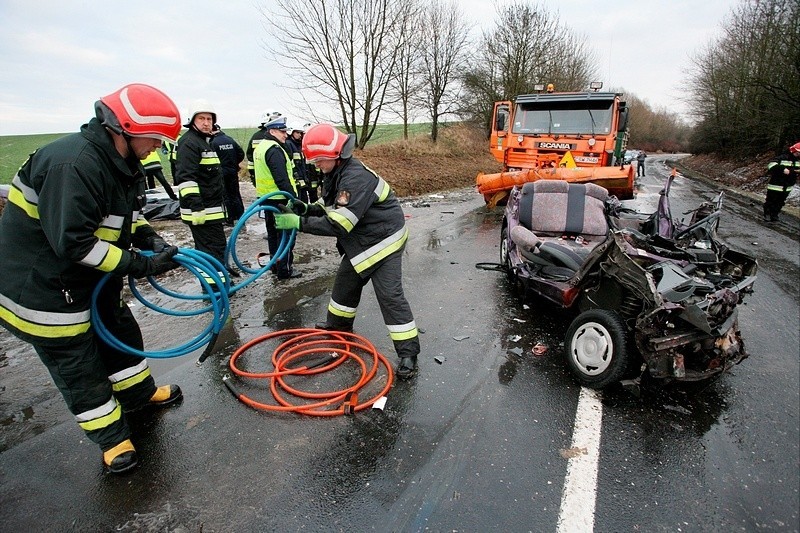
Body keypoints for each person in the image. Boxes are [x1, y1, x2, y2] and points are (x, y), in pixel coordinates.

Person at [0, 83, 184, 475]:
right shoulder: (74, 165)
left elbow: (124, 216)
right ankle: (111, 437)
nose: (155, 147)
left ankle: (139, 395)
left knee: (119, 331)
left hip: (91, 278)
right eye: (153, 139)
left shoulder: (121, 163)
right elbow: (74, 244)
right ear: (126, 128)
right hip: (45, 288)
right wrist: (141, 265)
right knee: (79, 364)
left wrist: (148, 236)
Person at [274, 123, 421, 379]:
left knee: (390, 297)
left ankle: (408, 353)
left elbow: (340, 223)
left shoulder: (356, 176)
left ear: (334, 155)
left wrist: (299, 223)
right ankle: (338, 328)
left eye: (319, 160)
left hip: (384, 241)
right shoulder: (336, 172)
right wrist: (308, 209)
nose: (316, 165)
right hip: (361, 241)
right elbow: (331, 202)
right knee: (345, 285)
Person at [174, 99, 230, 286]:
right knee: (210, 251)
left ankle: (219, 284)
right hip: (201, 212)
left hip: (210, 211)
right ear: (192, 121)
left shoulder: (204, 143)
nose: (206, 123)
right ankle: (215, 289)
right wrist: (196, 207)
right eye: (201, 118)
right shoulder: (189, 143)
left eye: (209, 119)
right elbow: (186, 178)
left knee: (216, 248)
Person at [253, 115, 301, 279]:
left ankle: (275, 265)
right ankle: (285, 270)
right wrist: (293, 198)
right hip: (280, 199)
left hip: (266, 198)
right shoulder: (274, 149)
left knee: (273, 235)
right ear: (272, 131)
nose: (285, 135)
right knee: (286, 236)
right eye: (282, 131)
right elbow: (281, 178)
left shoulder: (261, 147)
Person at [210, 124, 246, 224]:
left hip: (221, 173)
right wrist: (234, 163)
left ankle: (230, 219)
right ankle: (241, 217)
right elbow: (241, 153)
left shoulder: (213, 142)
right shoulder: (230, 139)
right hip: (233, 171)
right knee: (235, 194)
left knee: (225, 195)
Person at [763, 141, 799, 222]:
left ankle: (775, 215)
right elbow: (771, 165)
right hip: (776, 184)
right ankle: (768, 214)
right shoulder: (783, 157)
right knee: (771, 200)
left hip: (788, 186)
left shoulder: (798, 161)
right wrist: (782, 169)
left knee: (780, 202)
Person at [246, 110, 282, 186]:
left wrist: (253, 173)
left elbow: (250, 155)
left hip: (259, 174)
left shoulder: (255, 136)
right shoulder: (276, 136)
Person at [285, 123, 311, 203]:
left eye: (301, 133)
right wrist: (298, 178)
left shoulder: (299, 145)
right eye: (297, 132)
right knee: (298, 202)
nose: (300, 135)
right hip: (296, 180)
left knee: (304, 202)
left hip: (302, 179)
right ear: (291, 132)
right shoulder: (288, 144)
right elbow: (291, 164)